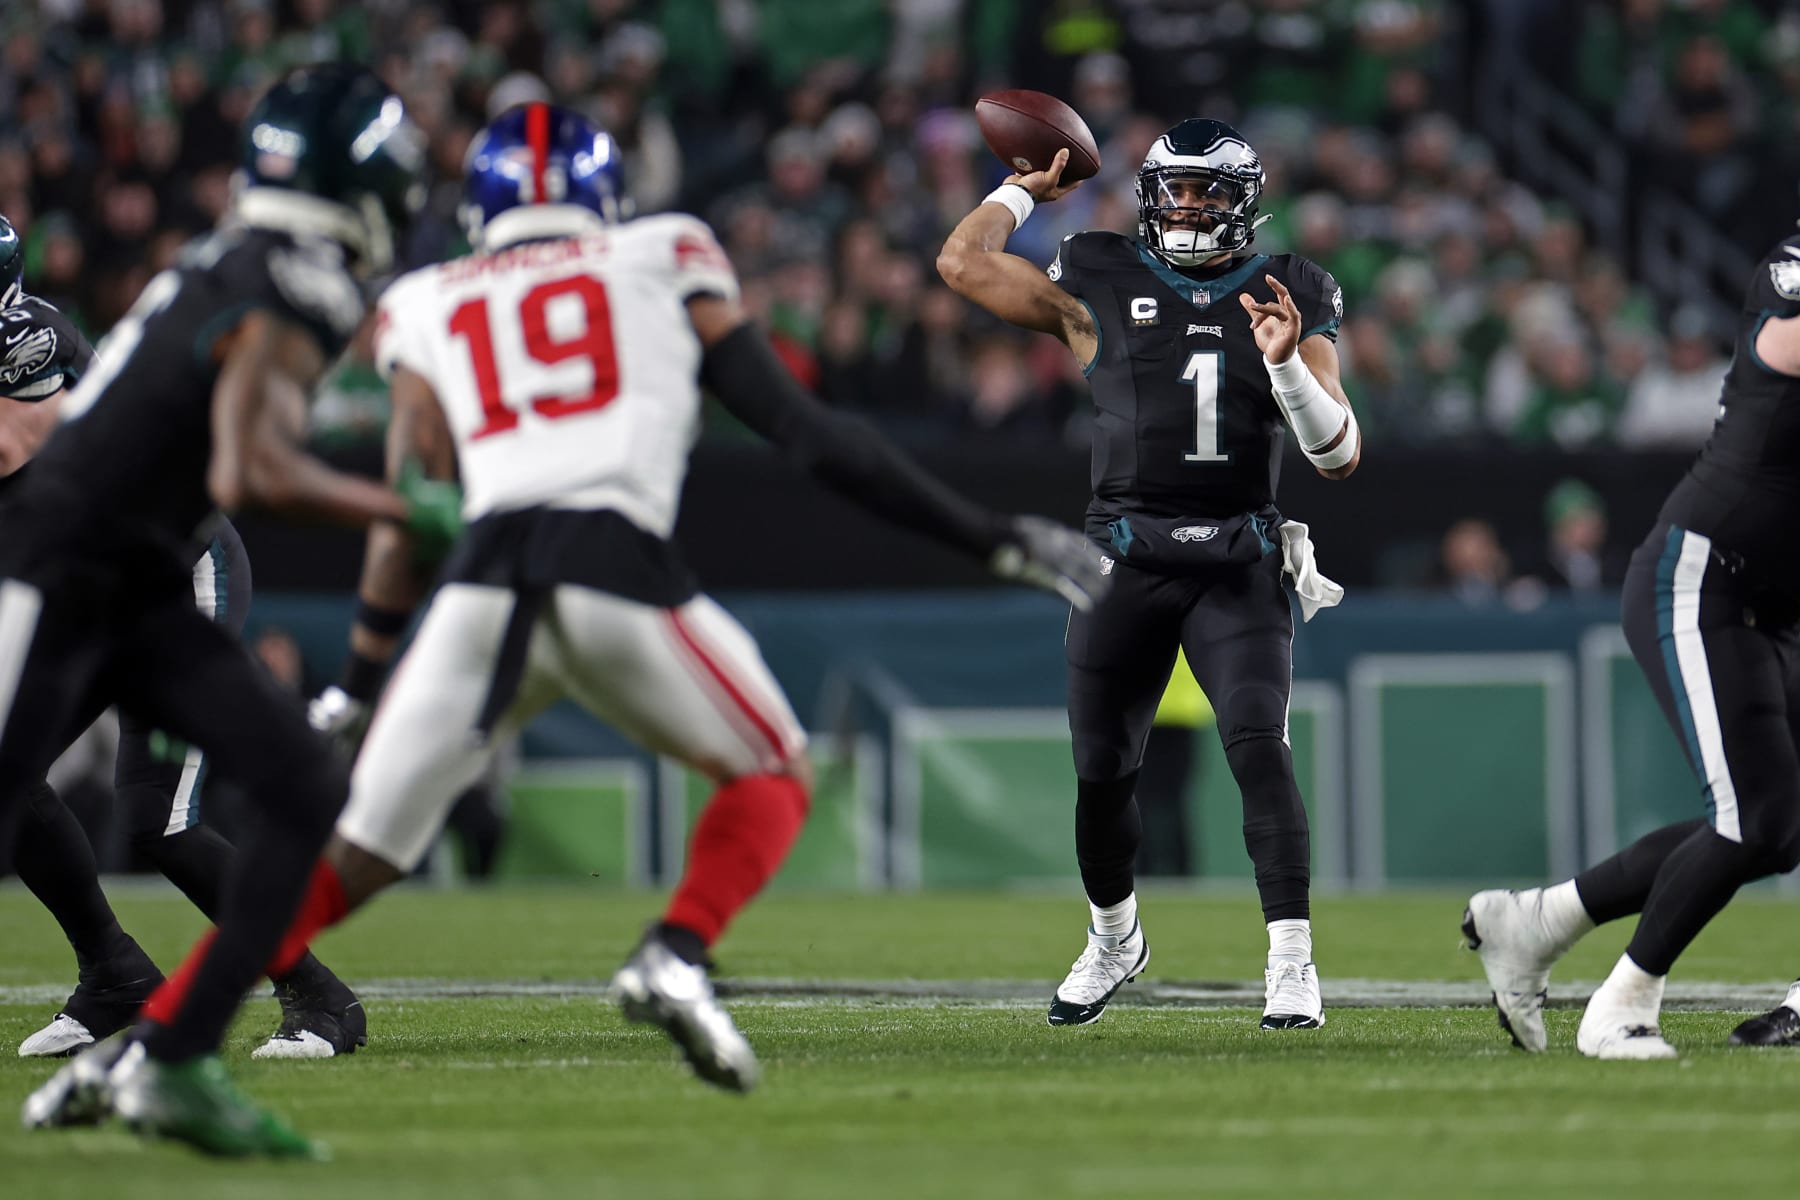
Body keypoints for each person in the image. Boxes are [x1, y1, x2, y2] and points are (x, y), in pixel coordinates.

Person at [283, 101, 1105, 1094]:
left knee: (353, 864)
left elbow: (410, 509)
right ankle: (676, 949)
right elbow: (806, 431)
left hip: (482, 580)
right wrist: (994, 538)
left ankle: (157, 1039)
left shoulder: (425, 296)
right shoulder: (661, 252)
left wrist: (355, 681)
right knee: (773, 772)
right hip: (609, 559)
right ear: (604, 195)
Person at [18, 64, 456, 1155]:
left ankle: (208, 1045)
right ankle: (135, 996)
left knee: (249, 795)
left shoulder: (248, 259)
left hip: (147, 568)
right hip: (79, 572)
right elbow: (257, 466)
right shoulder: (297, 273)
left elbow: (230, 467)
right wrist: (402, 507)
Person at [936, 119, 1360, 1030]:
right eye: (1177, 189)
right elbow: (962, 265)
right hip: (1124, 557)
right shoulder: (1098, 270)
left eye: (1208, 190)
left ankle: (1292, 960)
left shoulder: (1291, 287)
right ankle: (1114, 938)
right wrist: (1022, 192)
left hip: (1237, 561)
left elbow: (1338, 454)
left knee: (1257, 746)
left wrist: (1286, 366)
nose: (1190, 206)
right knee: (1102, 770)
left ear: (1243, 201)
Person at [0, 217, 365, 1064]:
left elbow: (26, 466)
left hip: (174, 569)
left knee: (156, 815)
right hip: (86, 584)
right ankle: (115, 974)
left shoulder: (27, 342)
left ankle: (320, 998)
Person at [1464, 224, 1800, 1059]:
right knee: (1750, 817)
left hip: (1770, 596)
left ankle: (1539, 921)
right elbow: (1786, 344)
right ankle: (1621, 1006)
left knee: (1776, 823)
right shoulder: (1791, 272)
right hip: (1704, 576)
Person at [1134, 650, 1213, 878]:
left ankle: (1146, 871)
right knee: (1174, 800)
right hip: (1181, 717)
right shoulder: (1195, 616)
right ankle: (1181, 873)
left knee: (1145, 798)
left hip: (1148, 715)